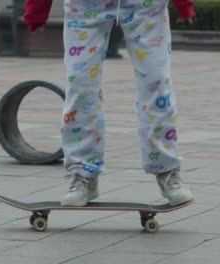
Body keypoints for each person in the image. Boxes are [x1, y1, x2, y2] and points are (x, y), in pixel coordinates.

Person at [24, 0, 195, 207]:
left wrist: (183, 4)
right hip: (86, 7)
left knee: (156, 82)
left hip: (145, 6)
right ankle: (83, 173)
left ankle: (167, 170)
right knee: (80, 85)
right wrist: (37, 10)